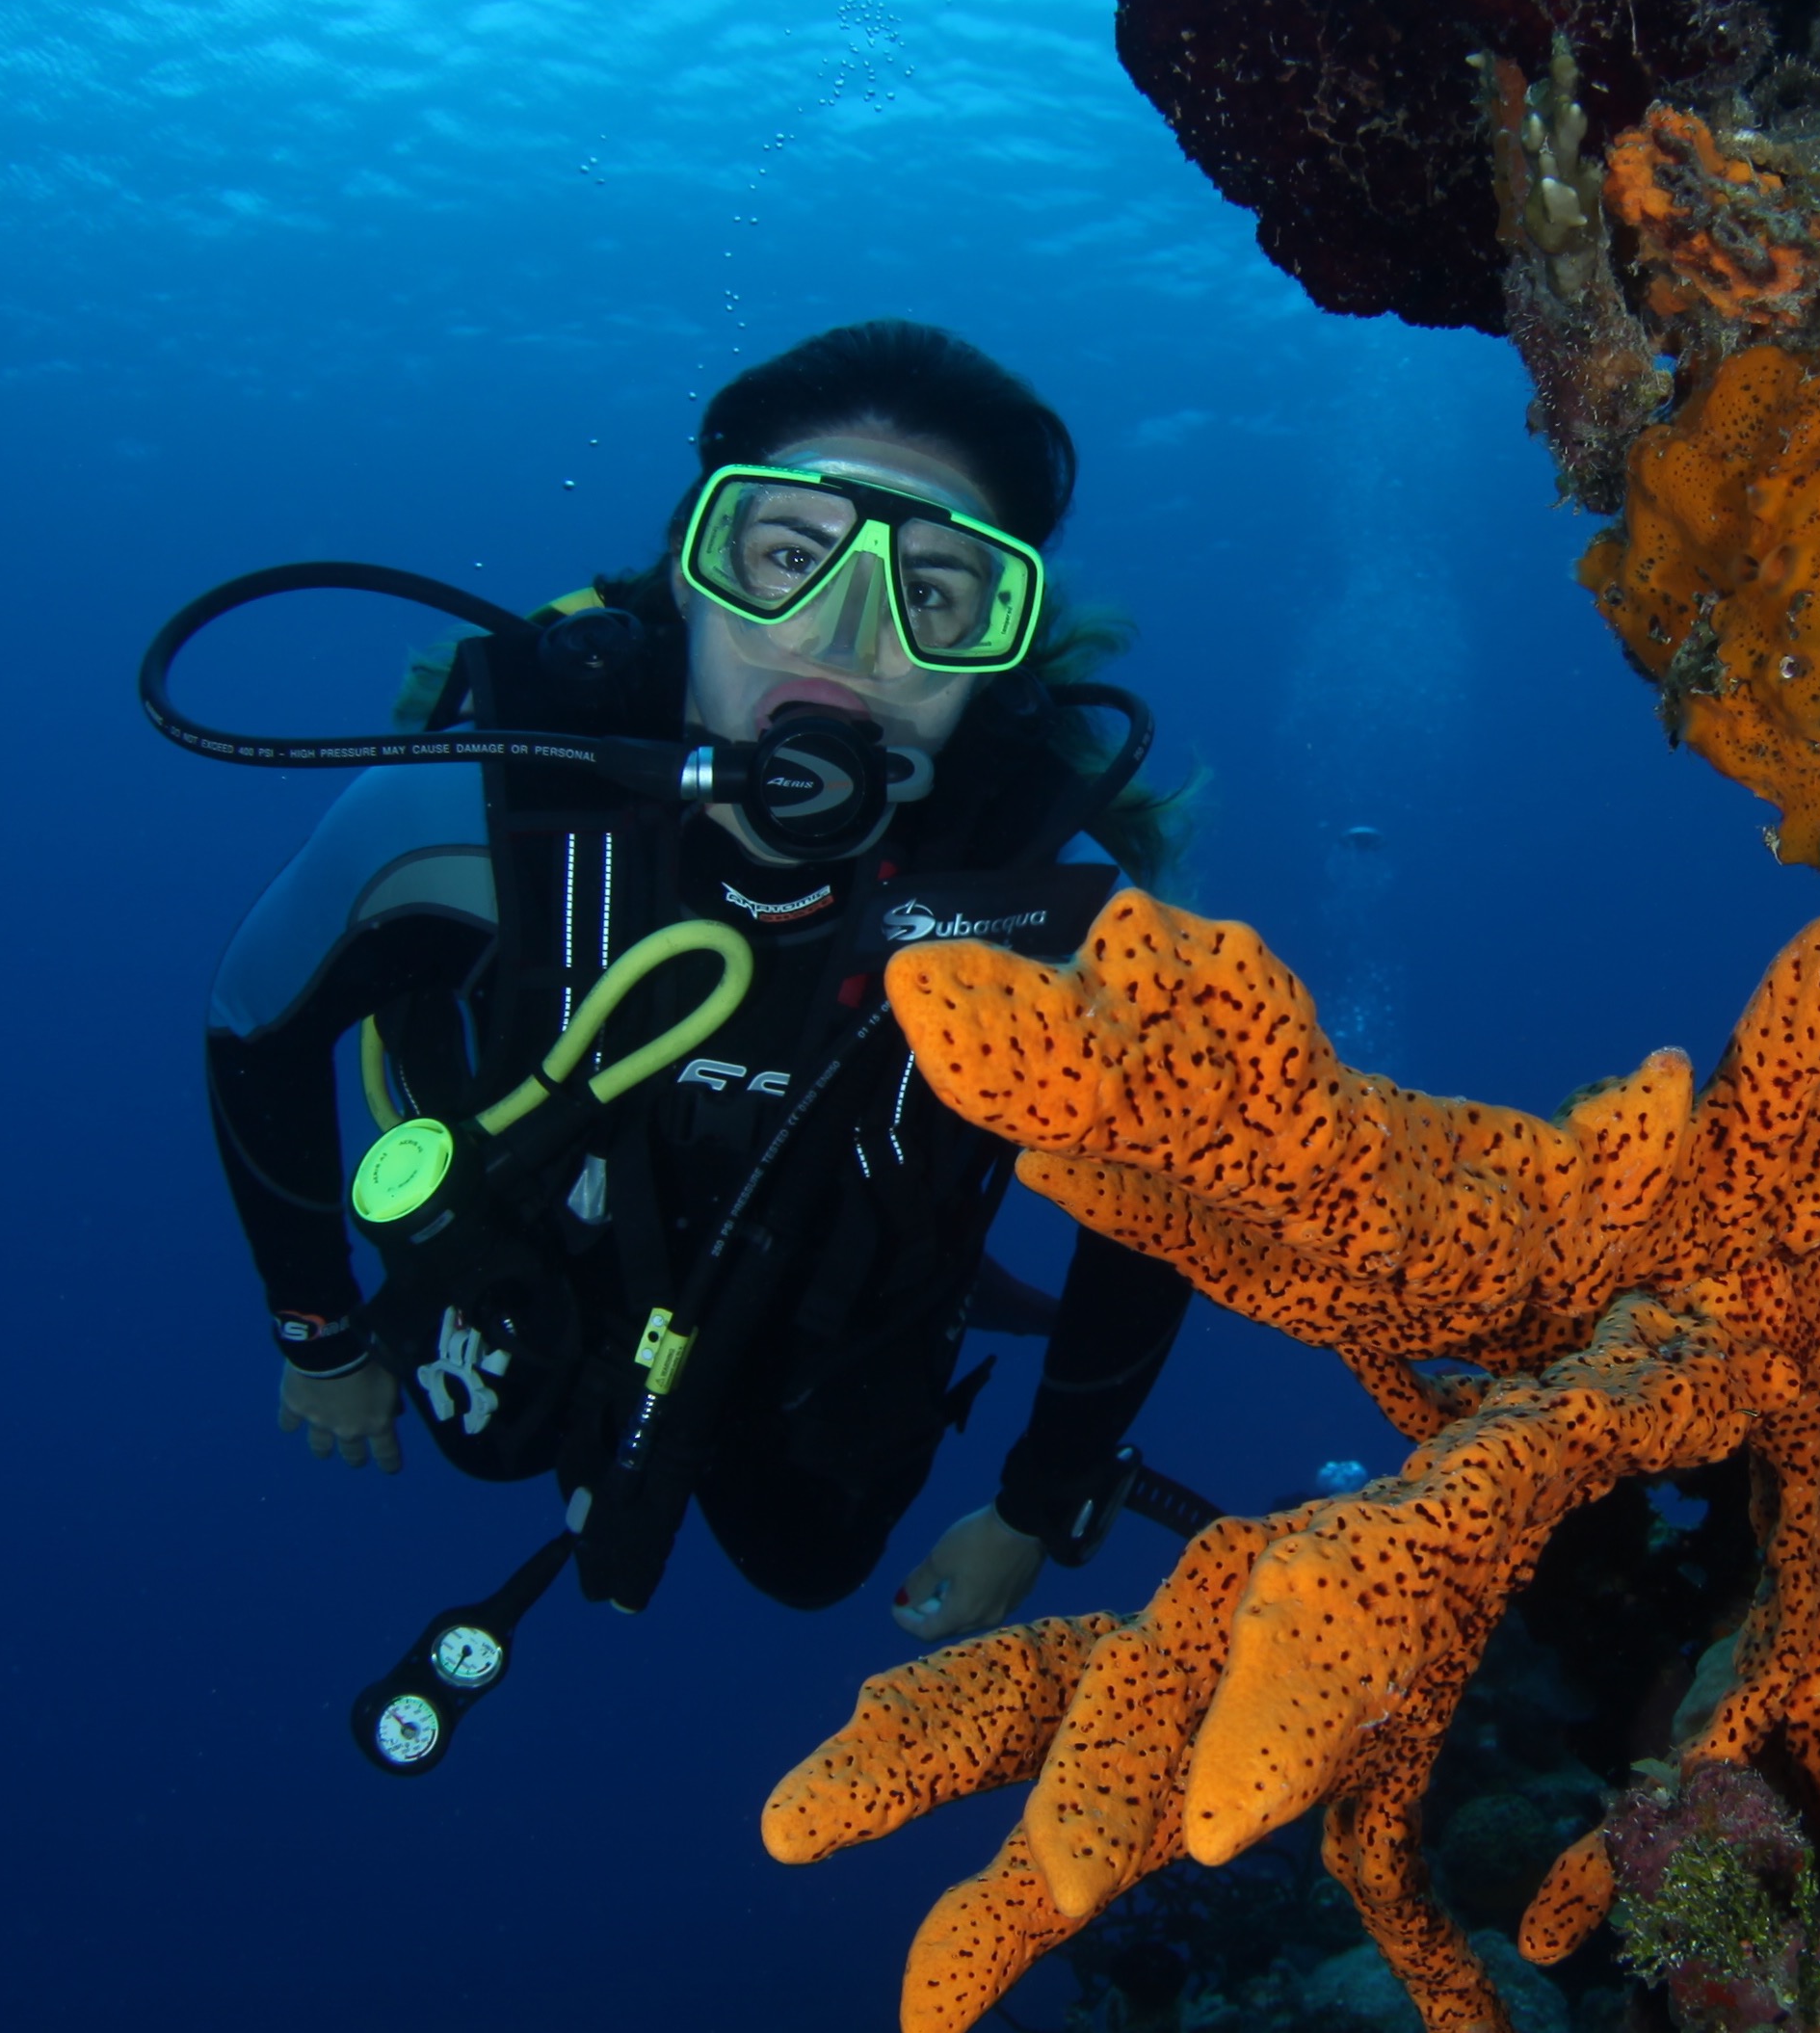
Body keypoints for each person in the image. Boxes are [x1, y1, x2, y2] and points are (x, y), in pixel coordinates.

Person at [197, 321, 1200, 1705]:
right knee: (493, 1441)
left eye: (934, 590)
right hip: (525, 1253)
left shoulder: (1062, 927)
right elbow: (253, 1026)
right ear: (690, 575)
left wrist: (1039, 1502)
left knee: (810, 1557)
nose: (847, 634)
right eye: (788, 556)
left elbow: (1163, 1208)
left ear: (995, 654)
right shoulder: (464, 813)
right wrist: (317, 1332)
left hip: (842, 1323)